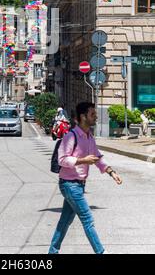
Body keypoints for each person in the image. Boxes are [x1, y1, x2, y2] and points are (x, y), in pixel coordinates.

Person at [48, 102, 122, 255]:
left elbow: (97, 157)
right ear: (83, 117)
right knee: (88, 219)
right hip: (69, 184)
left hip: (79, 185)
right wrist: (82, 160)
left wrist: (111, 172)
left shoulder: (89, 137)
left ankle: (52, 252)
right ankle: (101, 252)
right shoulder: (71, 136)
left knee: (65, 222)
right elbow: (62, 159)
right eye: (92, 114)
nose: (95, 117)